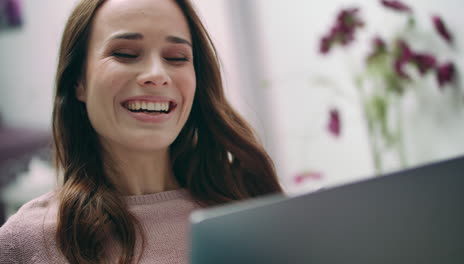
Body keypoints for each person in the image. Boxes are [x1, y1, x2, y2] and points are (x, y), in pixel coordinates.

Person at [0, 0, 283, 263]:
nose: (157, 74)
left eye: (176, 57)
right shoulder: (27, 242)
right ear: (79, 82)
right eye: (125, 54)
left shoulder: (247, 202)